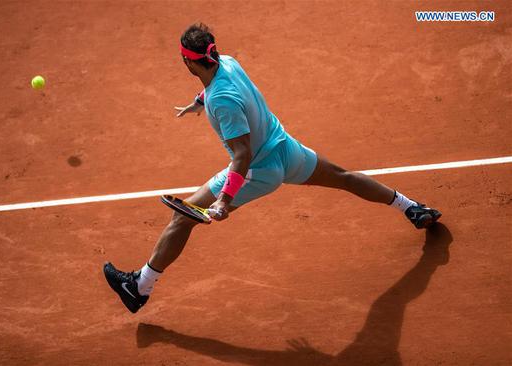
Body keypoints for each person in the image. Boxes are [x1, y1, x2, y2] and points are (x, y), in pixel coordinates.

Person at [103, 23, 441, 313]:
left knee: (182, 217)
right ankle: (411, 207)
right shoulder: (227, 62)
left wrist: (224, 200)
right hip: (286, 150)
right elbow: (221, 89)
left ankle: (140, 288)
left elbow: (242, 155)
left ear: (187, 61)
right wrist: (198, 103)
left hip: (259, 170)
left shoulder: (222, 101)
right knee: (342, 177)